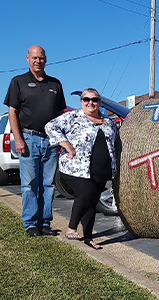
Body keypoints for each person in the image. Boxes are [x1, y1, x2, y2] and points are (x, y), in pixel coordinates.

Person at [4, 45, 66, 237]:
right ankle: (30, 224)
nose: (38, 61)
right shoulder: (18, 82)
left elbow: (60, 114)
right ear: (27, 58)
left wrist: (61, 140)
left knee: (48, 184)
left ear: (46, 59)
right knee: (30, 183)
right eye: (34, 58)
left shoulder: (55, 84)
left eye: (41, 58)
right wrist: (18, 139)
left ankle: (44, 222)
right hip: (29, 138)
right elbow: (12, 112)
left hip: (50, 141)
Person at [45, 88, 117, 250]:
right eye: (86, 99)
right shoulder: (73, 117)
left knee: (91, 202)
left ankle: (88, 238)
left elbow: (114, 142)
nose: (90, 103)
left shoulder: (107, 121)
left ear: (99, 102)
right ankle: (71, 228)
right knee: (86, 194)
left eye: (94, 100)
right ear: (81, 101)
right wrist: (66, 145)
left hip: (101, 171)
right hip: (76, 168)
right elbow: (50, 126)